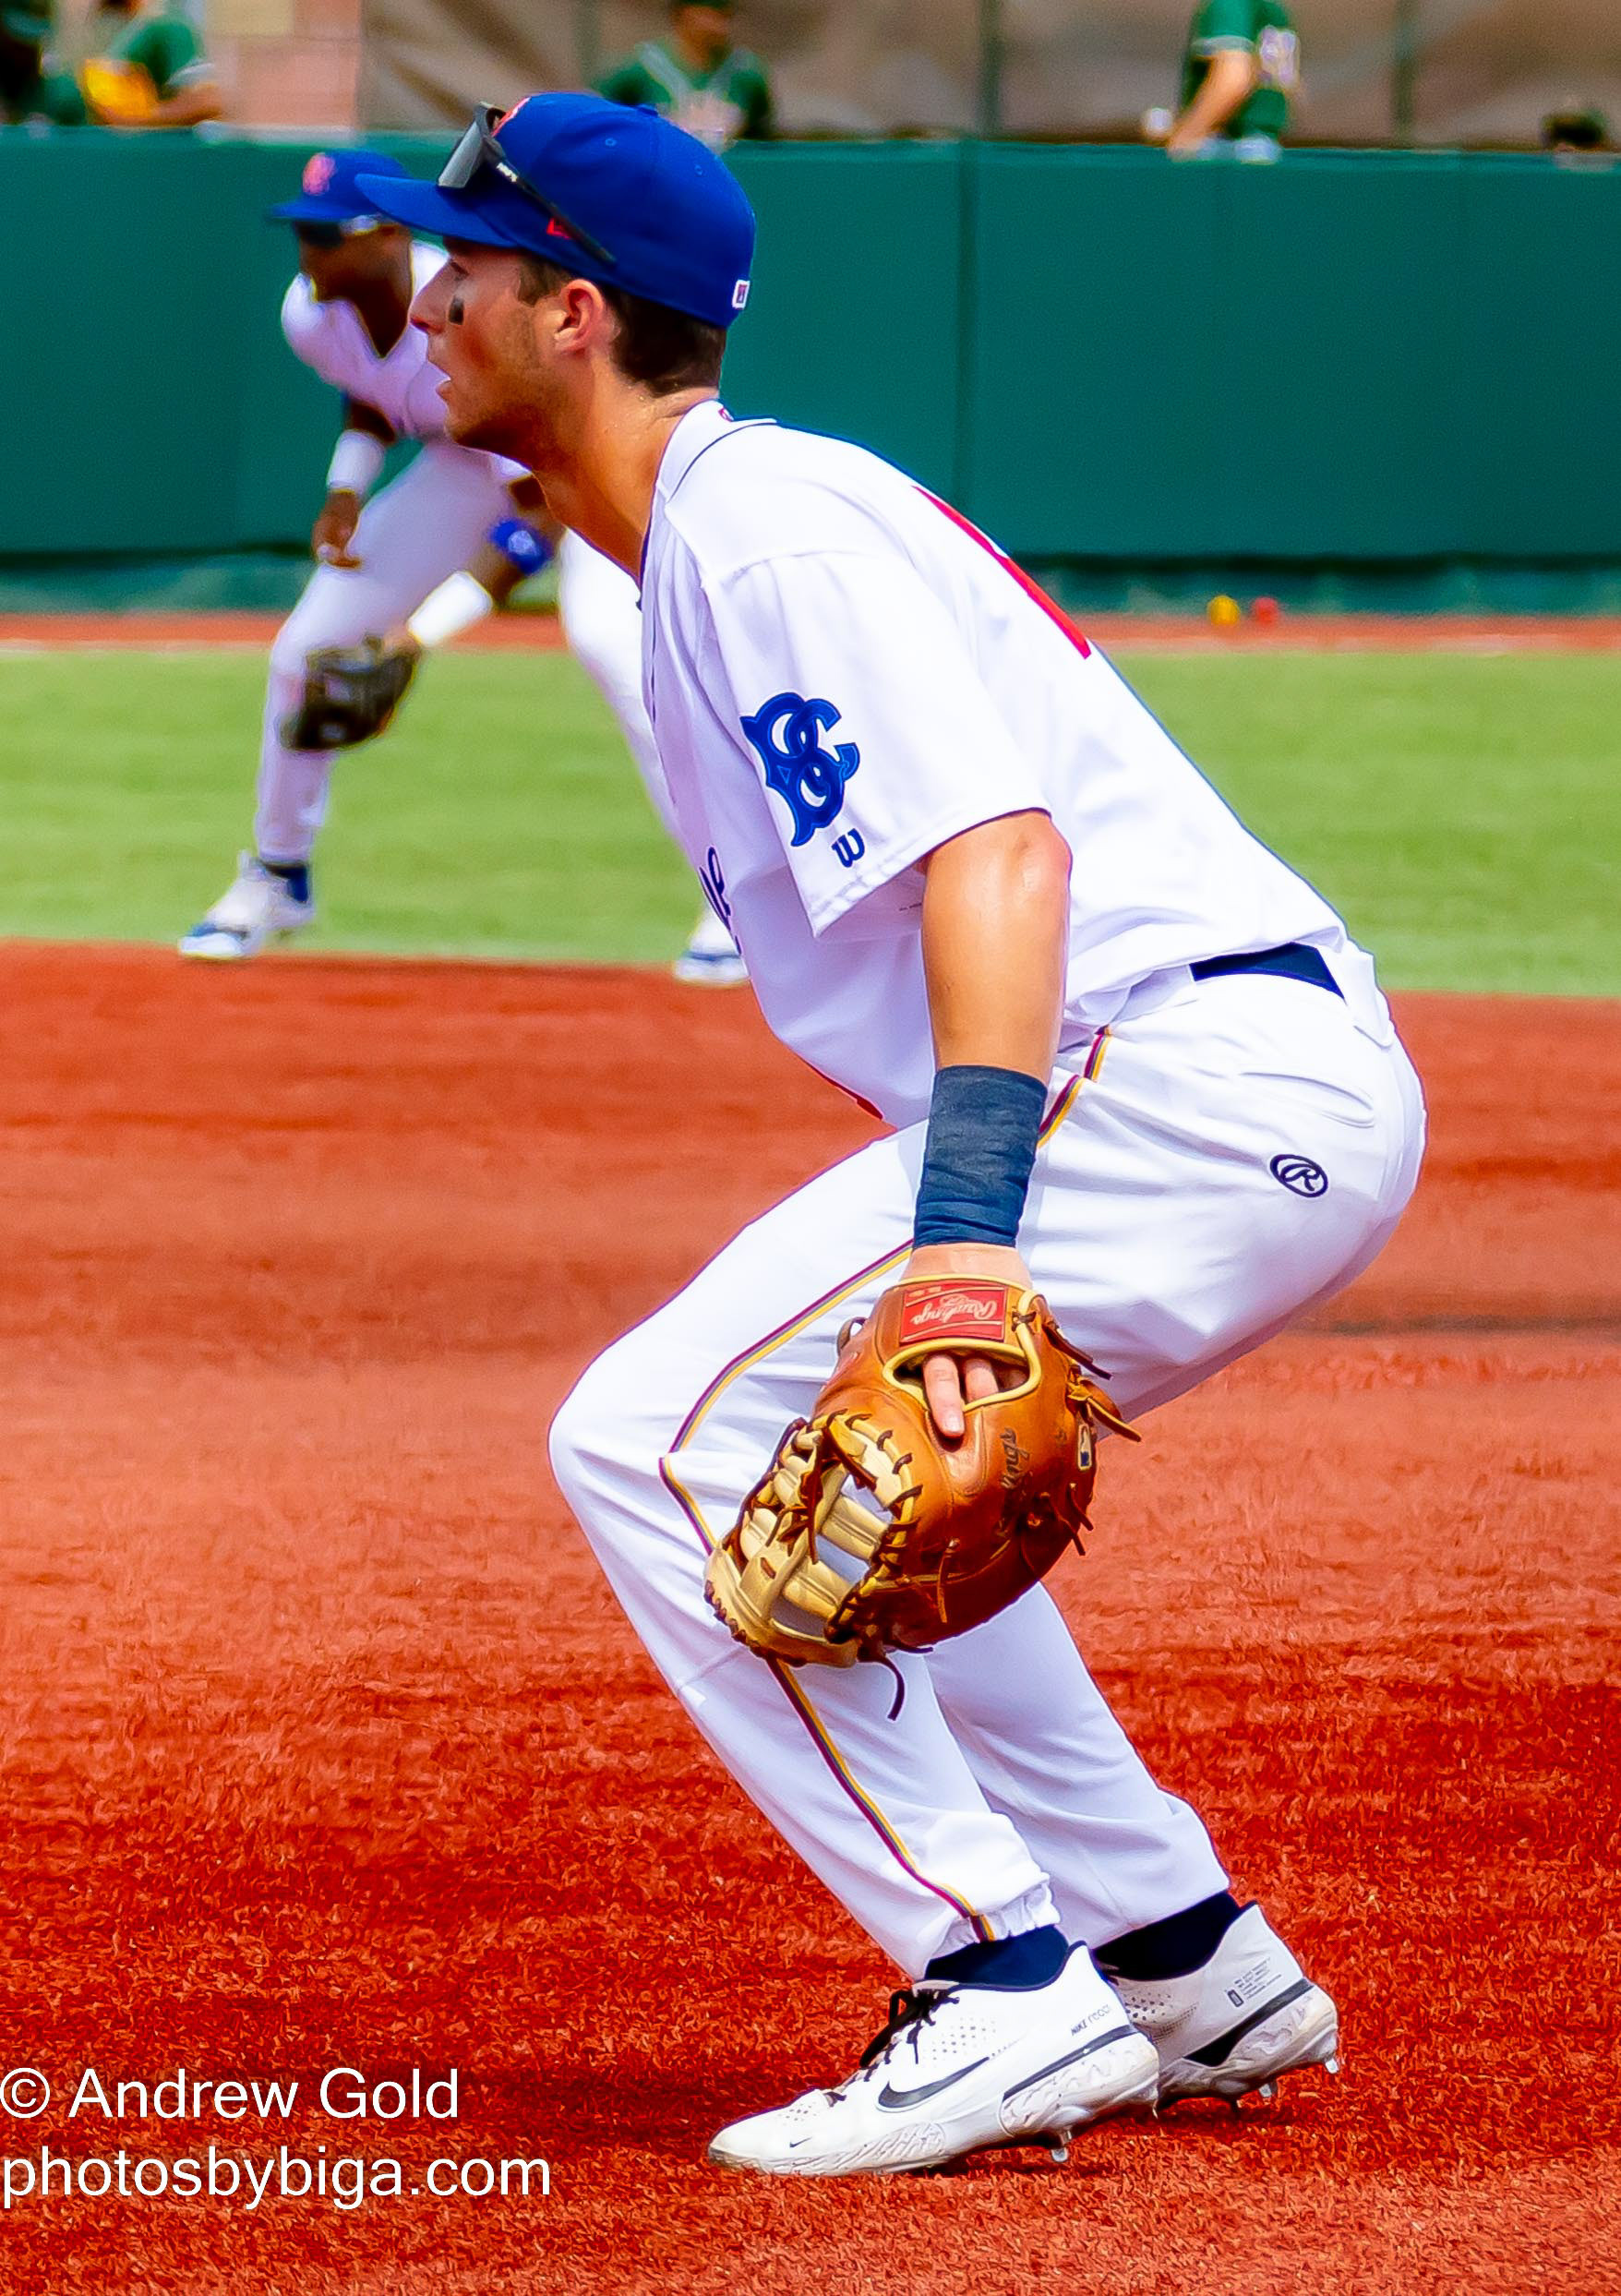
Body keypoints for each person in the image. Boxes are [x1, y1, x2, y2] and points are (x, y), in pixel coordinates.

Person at [359, 97, 1424, 2178]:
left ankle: (994, 1978)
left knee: (652, 1436)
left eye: (463, 261)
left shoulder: (762, 529)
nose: (428, 291)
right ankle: (1173, 1948)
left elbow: (997, 853)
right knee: (880, 1474)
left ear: (570, 313)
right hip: (1219, 1075)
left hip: (1180, 1073)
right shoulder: (702, 546)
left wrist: (958, 1237)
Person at [597, 0, 773, 150]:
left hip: (728, 177)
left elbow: (763, 138)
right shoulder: (644, 65)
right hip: (661, 177)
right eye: (708, 15)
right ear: (683, 15)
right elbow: (597, 115)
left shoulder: (745, 71)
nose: (718, 26)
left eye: (724, 15)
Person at [1152, 0, 1298, 162]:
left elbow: (1234, 80)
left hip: (1226, 154)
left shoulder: (1229, 4)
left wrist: (1185, 136)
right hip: (1266, 150)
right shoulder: (1273, 8)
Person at [77, 0, 222, 126]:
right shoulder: (119, 27)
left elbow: (208, 101)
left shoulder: (170, 25)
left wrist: (135, 119)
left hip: (136, 151)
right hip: (91, 147)